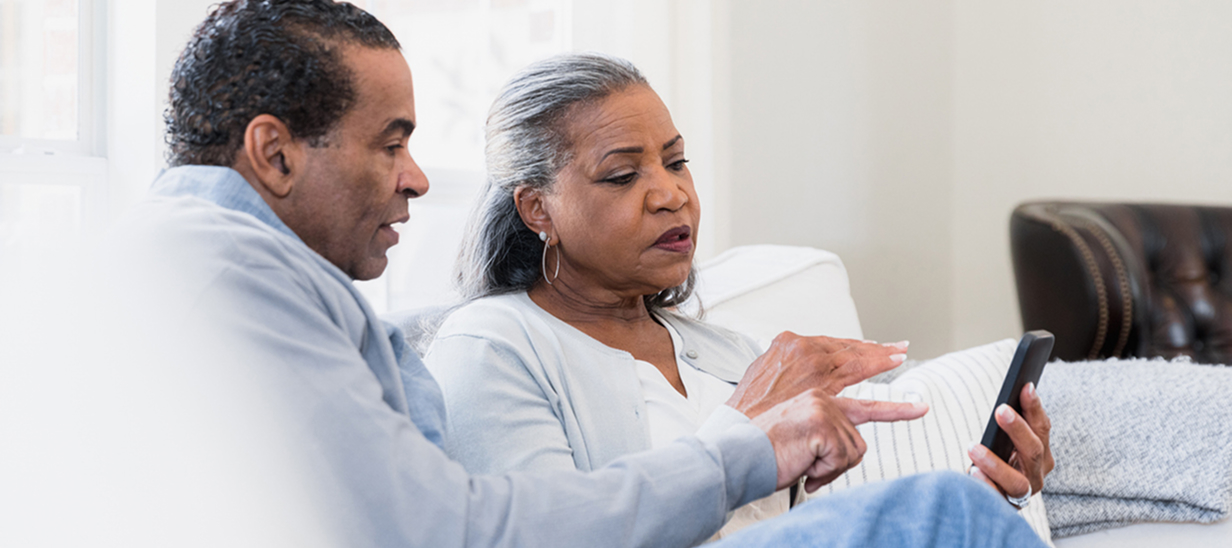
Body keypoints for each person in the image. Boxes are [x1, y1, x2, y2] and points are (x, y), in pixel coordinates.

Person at [114, 1, 1049, 546]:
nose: (417, 177)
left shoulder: (720, 341)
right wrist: (747, 443)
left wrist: (984, 493)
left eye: (676, 162)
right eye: (391, 142)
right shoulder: (227, 273)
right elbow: (469, 529)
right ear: (273, 154)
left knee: (948, 507)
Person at [425, 52, 1055, 540]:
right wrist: (746, 425)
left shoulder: (729, 353)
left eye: (676, 162)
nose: (671, 194)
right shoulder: (490, 347)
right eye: (623, 175)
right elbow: (544, 536)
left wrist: (990, 505)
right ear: (538, 208)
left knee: (956, 507)